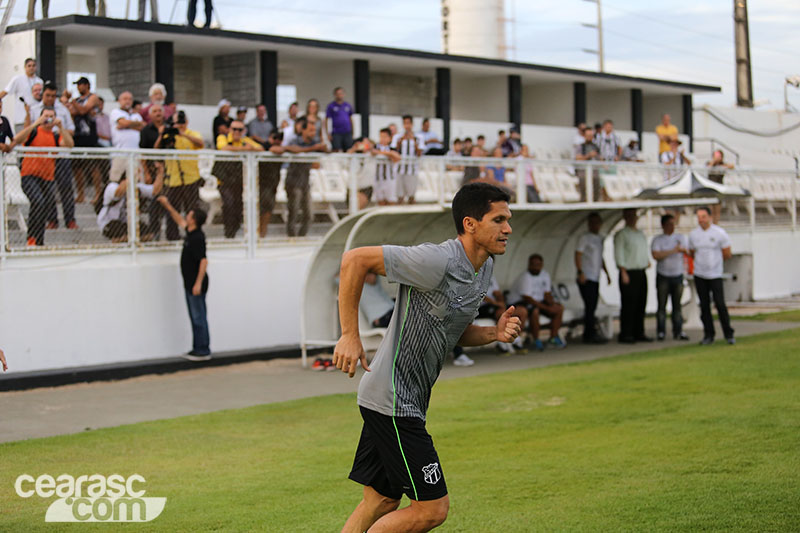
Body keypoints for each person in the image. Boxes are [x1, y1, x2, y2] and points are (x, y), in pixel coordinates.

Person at [333, 182, 520, 533]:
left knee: (381, 501)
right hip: (393, 402)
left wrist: (494, 333)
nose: (508, 228)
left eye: (508, 219)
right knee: (431, 509)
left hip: (398, 400)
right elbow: (354, 260)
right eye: (499, 220)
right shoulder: (436, 260)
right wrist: (349, 334)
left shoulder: (485, 269)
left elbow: (454, 329)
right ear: (470, 224)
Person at [157, 195, 211, 360]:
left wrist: (198, 284)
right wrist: (167, 205)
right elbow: (179, 220)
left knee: (198, 316)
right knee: (196, 316)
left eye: (190, 214)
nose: (187, 216)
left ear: (194, 220)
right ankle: (198, 348)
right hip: (190, 283)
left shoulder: (198, 238)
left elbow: (203, 261)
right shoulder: (190, 231)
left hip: (195, 284)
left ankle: (203, 349)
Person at [14, 107, 75, 246]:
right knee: (38, 202)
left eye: (51, 117)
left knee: (44, 207)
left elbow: (69, 145)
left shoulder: (55, 136)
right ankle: (31, 237)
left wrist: (61, 127)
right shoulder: (34, 131)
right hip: (29, 175)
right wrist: (36, 123)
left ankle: (39, 240)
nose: (48, 119)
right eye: (46, 116)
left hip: (47, 177)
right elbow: (18, 139)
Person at [28, 82, 78, 230]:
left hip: (61, 154)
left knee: (66, 188)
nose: (50, 98)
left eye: (53, 95)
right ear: (42, 94)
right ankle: (52, 220)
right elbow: (29, 131)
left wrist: (58, 130)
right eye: (47, 95)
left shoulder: (63, 110)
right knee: (48, 190)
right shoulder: (34, 109)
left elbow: (72, 130)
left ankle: (70, 220)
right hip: (43, 157)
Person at [688, 207, 735, 346]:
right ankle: (708, 334)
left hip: (715, 275)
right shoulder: (693, 234)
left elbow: (727, 253)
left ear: (709, 217)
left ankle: (728, 333)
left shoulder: (719, 233)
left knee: (720, 304)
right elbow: (691, 252)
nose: (701, 219)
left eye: (703, 216)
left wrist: (714, 264)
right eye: (699, 217)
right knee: (704, 306)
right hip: (700, 275)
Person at [507, 254, 566, 352]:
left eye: (538, 264)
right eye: (533, 264)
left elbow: (547, 293)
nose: (535, 267)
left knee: (559, 308)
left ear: (542, 265)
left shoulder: (545, 275)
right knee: (535, 311)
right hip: (521, 303)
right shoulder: (525, 277)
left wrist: (551, 303)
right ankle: (536, 340)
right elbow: (528, 299)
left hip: (538, 302)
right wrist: (546, 308)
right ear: (529, 265)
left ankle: (553, 337)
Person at [216, 119, 263, 238]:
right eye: (234, 129)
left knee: (238, 206)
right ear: (229, 130)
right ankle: (229, 233)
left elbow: (261, 149)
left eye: (240, 129)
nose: (236, 132)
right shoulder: (223, 138)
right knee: (228, 204)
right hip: (224, 181)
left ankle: (235, 229)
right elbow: (223, 148)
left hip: (238, 181)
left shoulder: (246, 141)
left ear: (244, 131)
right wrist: (245, 149)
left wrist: (251, 148)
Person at [161, 110, 204, 241]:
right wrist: (163, 133)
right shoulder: (169, 135)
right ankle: (172, 236)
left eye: (181, 122)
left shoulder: (192, 134)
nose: (179, 124)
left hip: (191, 178)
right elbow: (158, 148)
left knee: (191, 210)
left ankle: (193, 234)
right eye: (176, 122)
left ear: (186, 122)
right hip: (173, 179)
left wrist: (183, 134)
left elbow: (200, 143)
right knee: (172, 210)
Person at [614, 208, 652, 344]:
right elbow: (619, 253)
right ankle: (626, 333)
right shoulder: (622, 234)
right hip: (628, 272)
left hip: (641, 271)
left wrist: (646, 261)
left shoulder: (640, 234)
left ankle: (639, 332)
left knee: (641, 303)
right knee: (628, 304)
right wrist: (623, 271)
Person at [284, 118, 327, 236]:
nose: (313, 133)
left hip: (305, 183)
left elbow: (327, 149)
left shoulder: (314, 142)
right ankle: (291, 237)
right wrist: (313, 149)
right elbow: (292, 149)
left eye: (314, 130)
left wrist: (322, 145)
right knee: (294, 211)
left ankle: (302, 236)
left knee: (309, 214)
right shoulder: (295, 140)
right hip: (293, 182)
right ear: (303, 130)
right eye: (310, 130)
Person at [96, 166, 163, 243]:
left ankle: (133, 245)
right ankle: (120, 247)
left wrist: (160, 173)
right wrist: (132, 174)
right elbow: (118, 192)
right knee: (122, 234)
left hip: (126, 222)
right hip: (108, 222)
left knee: (148, 234)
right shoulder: (111, 187)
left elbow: (155, 190)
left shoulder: (136, 186)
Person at [651, 214, 690, 341]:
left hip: (677, 275)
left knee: (677, 306)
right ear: (663, 225)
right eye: (669, 224)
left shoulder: (680, 238)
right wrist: (673, 250)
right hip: (663, 276)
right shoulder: (658, 240)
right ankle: (661, 331)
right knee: (662, 306)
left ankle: (678, 331)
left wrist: (681, 250)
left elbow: (687, 251)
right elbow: (656, 255)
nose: (672, 227)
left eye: (673, 224)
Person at [575, 212, 612, 344]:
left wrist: (607, 273)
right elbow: (578, 254)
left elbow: (600, 258)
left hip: (595, 277)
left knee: (593, 305)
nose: (595, 225)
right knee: (589, 306)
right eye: (592, 222)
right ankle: (589, 334)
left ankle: (591, 332)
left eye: (597, 222)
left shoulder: (599, 238)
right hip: (586, 277)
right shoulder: (585, 238)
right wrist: (580, 272)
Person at [67, 76, 101, 204]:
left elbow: (82, 110)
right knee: (77, 167)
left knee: (93, 166)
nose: (78, 87)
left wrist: (74, 104)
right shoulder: (76, 100)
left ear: (86, 85)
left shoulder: (93, 97)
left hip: (89, 136)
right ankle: (81, 194)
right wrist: (75, 106)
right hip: (77, 136)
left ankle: (98, 194)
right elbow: (71, 112)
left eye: (80, 84)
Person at [477, 276, 527, 354]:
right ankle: (501, 344)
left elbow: (497, 293)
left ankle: (516, 340)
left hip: (495, 305)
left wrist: (501, 302)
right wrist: (497, 303)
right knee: (501, 312)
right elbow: (479, 295)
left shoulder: (491, 276)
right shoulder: (475, 275)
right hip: (481, 307)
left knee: (522, 311)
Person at [109, 91, 144, 183]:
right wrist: (131, 124)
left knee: (134, 181)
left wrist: (126, 125)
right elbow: (123, 123)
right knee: (115, 180)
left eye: (129, 99)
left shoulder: (137, 115)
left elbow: (141, 126)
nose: (127, 101)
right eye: (125, 99)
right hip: (119, 153)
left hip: (135, 154)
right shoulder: (115, 112)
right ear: (119, 101)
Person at [257, 130, 286, 237]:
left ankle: (262, 234)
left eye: (280, 139)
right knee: (261, 210)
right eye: (275, 138)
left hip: (273, 185)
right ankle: (259, 233)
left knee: (268, 210)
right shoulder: (264, 146)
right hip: (262, 185)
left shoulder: (281, 149)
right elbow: (273, 149)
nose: (277, 141)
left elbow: (279, 149)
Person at [1, 58, 43, 132]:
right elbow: (5, 92)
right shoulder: (18, 79)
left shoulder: (39, 81)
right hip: (21, 118)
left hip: (36, 118)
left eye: (33, 65)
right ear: (25, 67)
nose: (31, 68)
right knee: (21, 142)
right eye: (29, 66)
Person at [391, 115, 422, 204]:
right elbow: (394, 152)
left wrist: (414, 141)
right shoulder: (397, 137)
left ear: (412, 124)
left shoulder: (418, 137)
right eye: (405, 123)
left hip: (412, 170)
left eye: (408, 123)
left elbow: (419, 154)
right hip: (400, 169)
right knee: (399, 197)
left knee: (411, 196)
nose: (407, 126)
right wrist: (400, 142)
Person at [371, 128, 401, 205]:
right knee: (380, 201)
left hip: (389, 179)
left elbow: (397, 158)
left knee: (391, 201)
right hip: (378, 179)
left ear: (390, 138)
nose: (382, 139)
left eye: (384, 137)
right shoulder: (376, 147)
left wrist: (383, 153)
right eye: (381, 136)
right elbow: (371, 152)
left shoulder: (392, 148)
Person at [706, 150, 735, 223]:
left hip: (719, 189)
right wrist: (714, 161)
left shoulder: (723, 165)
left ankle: (716, 224)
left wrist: (722, 166)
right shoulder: (710, 163)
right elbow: (708, 168)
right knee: (710, 209)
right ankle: (710, 224)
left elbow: (732, 166)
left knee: (717, 209)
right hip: (710, 189)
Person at [575, 127, 601, 202]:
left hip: (594, 170)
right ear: (584, 136)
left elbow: (600, 158)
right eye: (588, 135)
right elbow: (578, 157)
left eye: (591, 136)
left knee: (597, 178)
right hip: (583, 170)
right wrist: (588, 156)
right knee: (583, 179)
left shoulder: (595, 146)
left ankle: (596, 200)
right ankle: (583, 200)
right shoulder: (580, 146)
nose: (590, 137)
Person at [325, 87, 354, 152]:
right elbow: (327, 120)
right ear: (335, 95)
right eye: (338, 93)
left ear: (344, 94)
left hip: (347, 132)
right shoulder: (331, 106)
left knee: (349, 150)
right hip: (336, 133)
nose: (340, 95)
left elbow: (351, 119)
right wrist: (328, 134)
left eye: (341, 93)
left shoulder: (348, 105)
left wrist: (352, 132)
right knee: (336, 150)